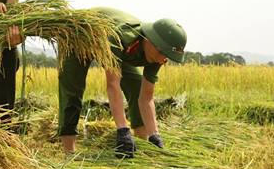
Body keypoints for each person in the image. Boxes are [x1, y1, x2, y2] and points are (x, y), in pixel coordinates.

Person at [57, 8, 187, 158]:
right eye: (163, 54)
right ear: (149, 41)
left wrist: (154, 135)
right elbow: (113, 84)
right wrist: (122, 130)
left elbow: (146, 97)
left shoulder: (158, 54)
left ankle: (141, 142)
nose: (163, 60)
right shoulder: (120, 38)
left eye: (168, 57)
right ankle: (69, 153)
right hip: (80, 37)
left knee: (136, 86)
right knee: (72, 91)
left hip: (118, 48)